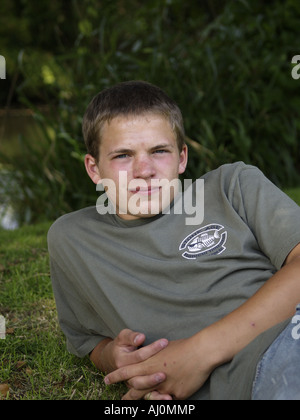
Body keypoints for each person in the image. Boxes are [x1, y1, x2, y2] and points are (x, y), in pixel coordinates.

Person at [48, 80, 300, 400]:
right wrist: (112, 355)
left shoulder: (232, 185)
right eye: (123, 155)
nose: (144, 170)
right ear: (94, 168)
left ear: (181, 158)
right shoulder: (73, 238)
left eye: (159, 151)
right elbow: (86, 339)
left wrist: (198, 352)